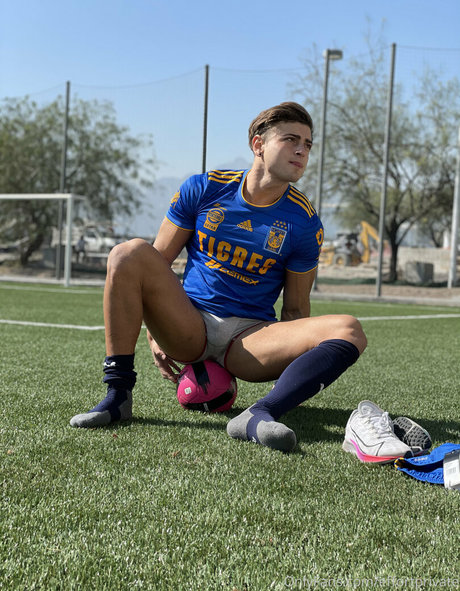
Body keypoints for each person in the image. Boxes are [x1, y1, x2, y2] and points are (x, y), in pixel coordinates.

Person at [70, 101, 367, 452]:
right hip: (188, 325)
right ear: (258, 145)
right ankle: (117, 396)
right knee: (127, 253)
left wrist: (295, 377)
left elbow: (296, 309)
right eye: (291, 140)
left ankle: (261, 413)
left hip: (249, 340)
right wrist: (155, 332)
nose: (302, 150)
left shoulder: (304, 221)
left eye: (308, 144)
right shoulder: (205, 188)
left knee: (349, 329)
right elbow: (155, 264)